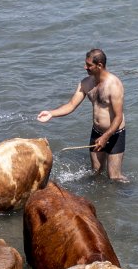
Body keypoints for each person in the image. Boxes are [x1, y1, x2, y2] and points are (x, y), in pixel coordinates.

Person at [37, 48, 128, 182]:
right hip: (97, 132)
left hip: (114, 134)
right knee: (96, 172)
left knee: (114, 177)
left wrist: (105, 136)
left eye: (89, 65)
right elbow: (71, 105)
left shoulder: (114, 85)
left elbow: (118, 117)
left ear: (99, 65)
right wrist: (51, 113)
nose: (85, 67)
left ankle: (130, 191)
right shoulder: (86, 83)